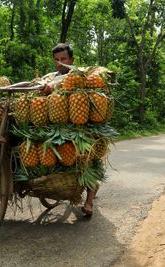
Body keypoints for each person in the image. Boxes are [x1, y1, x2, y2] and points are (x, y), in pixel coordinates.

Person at [41, 43, 98, 217]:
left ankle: (89, 201)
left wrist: (54, 87)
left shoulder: (79, 75)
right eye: (57, 60)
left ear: (71, 59)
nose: (60, 63)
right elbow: (41, 82)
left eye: (63, 59)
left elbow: (72, 86)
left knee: (88, 161)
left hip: (79, 125)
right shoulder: (51, 76)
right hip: (56, 124)